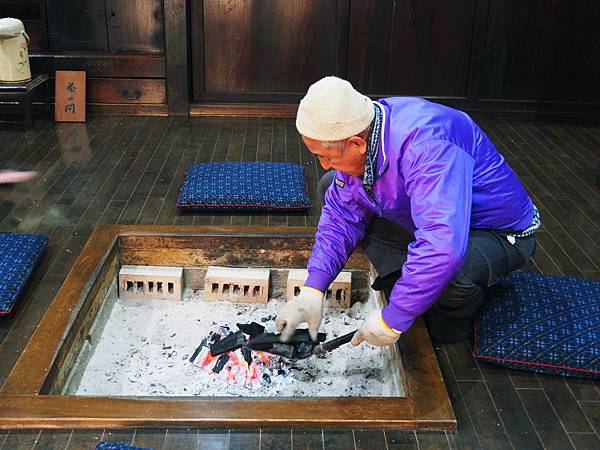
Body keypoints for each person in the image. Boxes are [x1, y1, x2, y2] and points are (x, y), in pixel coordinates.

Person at [275, 76, 538, 347]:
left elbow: (443, 245)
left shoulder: (427, 146)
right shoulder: (367, 128)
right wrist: (313, 288)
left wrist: (393, 319)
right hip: (435, 218)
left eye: (326, 156)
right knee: (331, 186)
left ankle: (452, 319)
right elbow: (341, 217)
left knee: (450, 270)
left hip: (497, 233)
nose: (324, 164)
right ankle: (412, 283)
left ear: (356, 144)